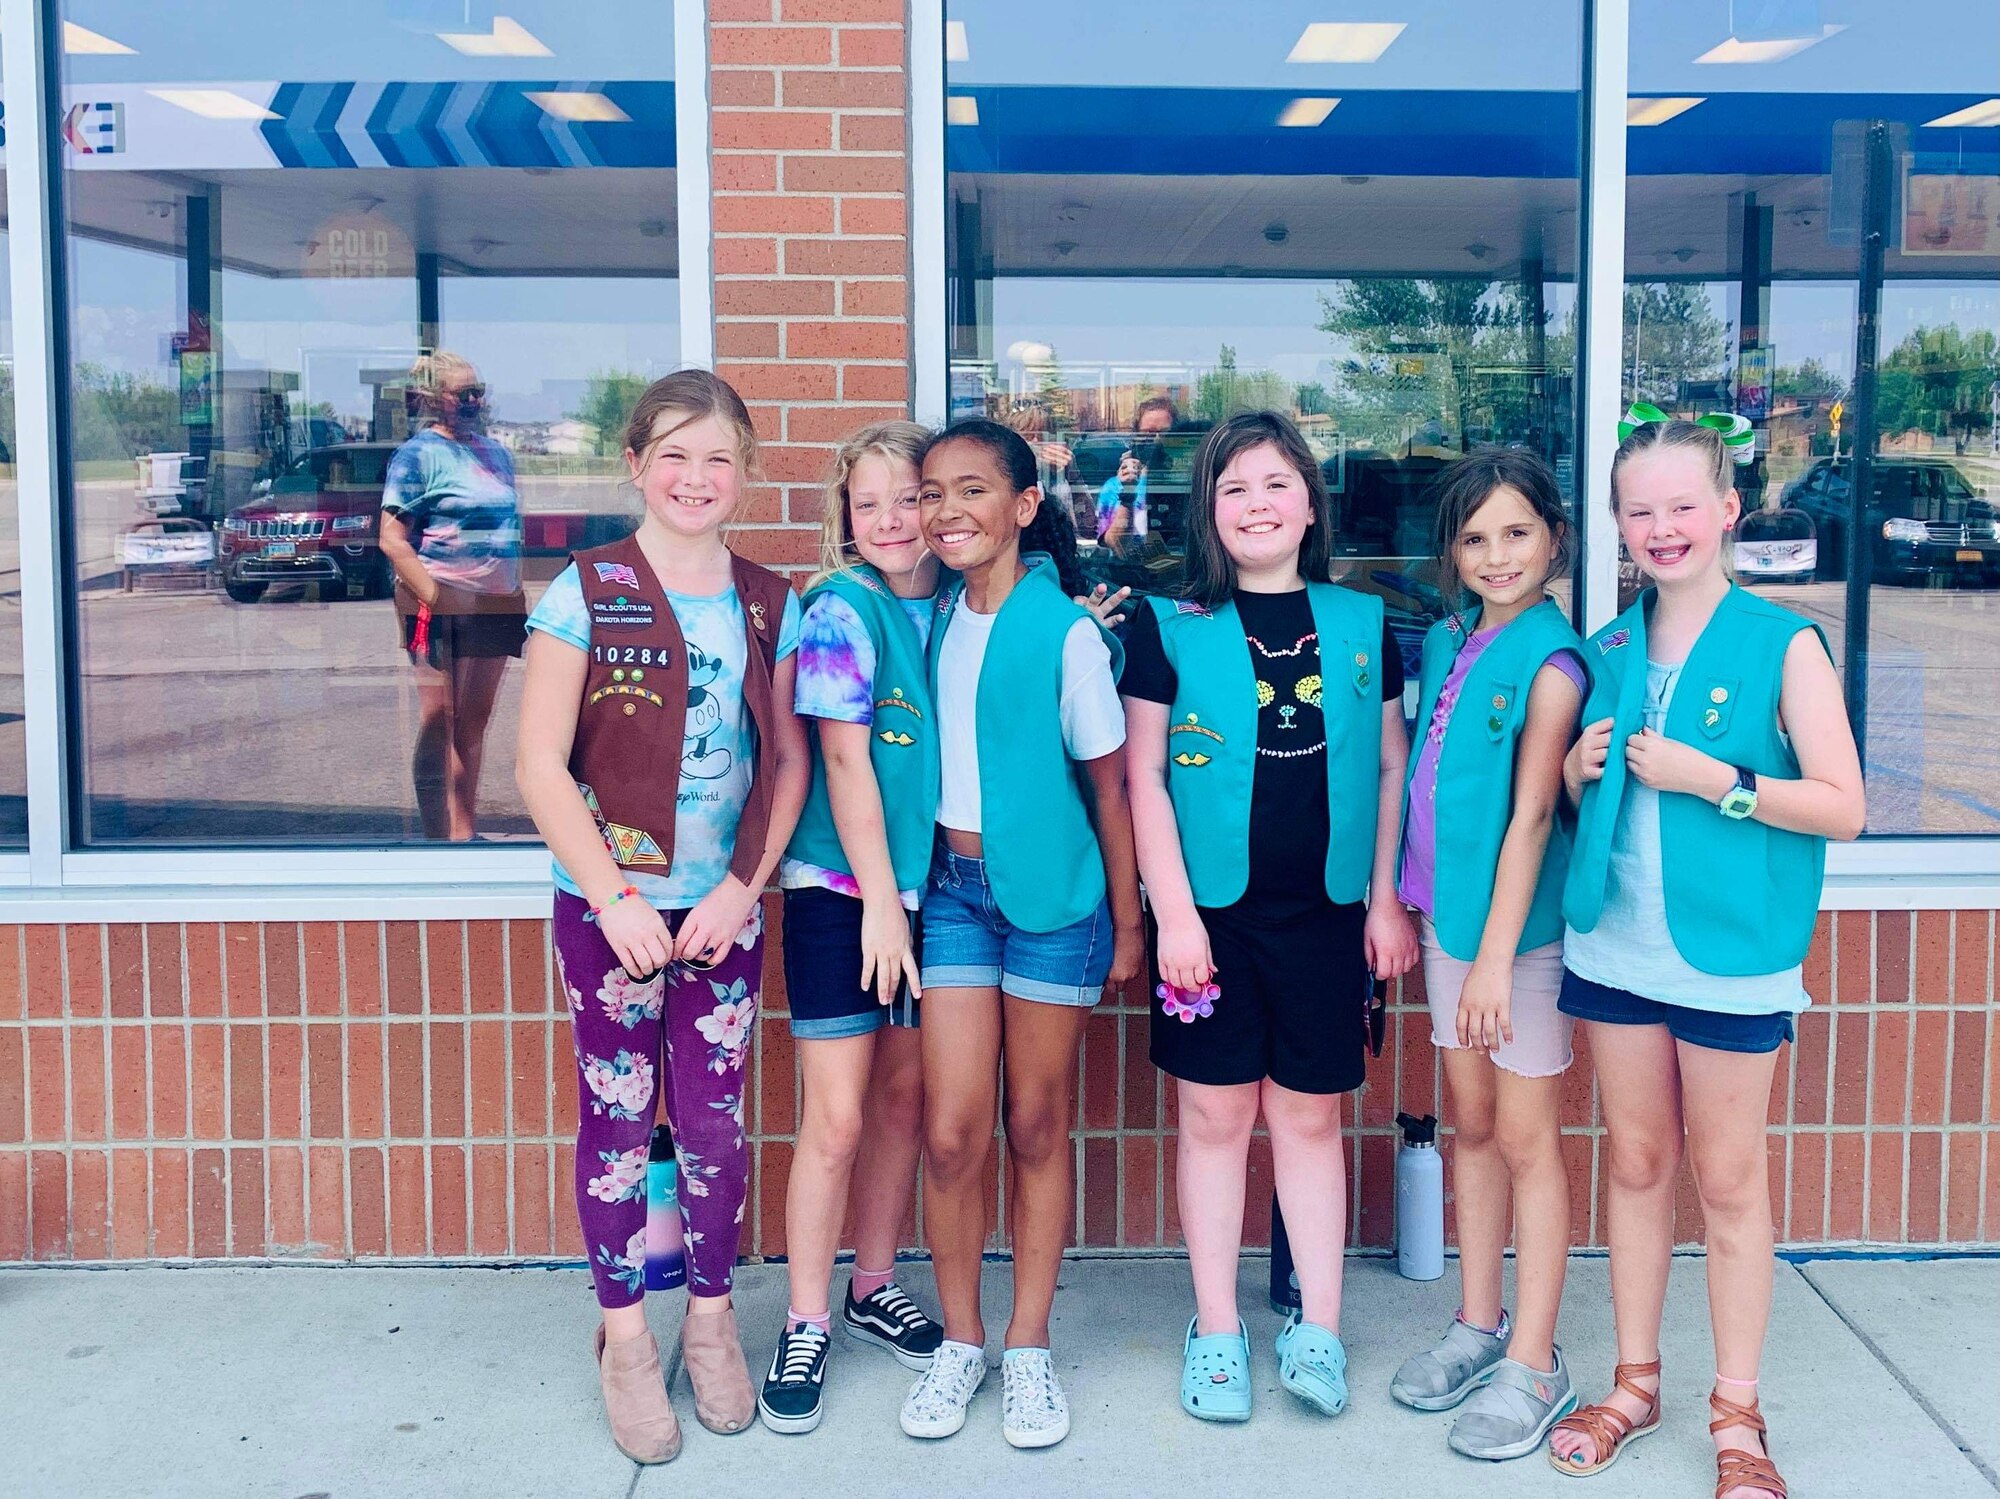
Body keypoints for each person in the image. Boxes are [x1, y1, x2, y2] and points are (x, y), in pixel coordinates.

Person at [1548, 411, 1864, 1499]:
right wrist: (1573, 777)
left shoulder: (1783, 642)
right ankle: (1634, 1381)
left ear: (1727, 509)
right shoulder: (1601, 648)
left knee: (1726, 1180)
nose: (1660, 526)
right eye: (1638, 510)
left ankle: (1737, 1413)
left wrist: (1713, 781)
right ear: (1617, 525)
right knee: (1634, 1164)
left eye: (1682, 504)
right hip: (1612, 948)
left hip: (1730, 956)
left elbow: (1842, 806)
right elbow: (1567, 807)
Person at [513, 370, 810, 1465]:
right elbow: (538, 765)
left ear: (746, 473)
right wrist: (611, 894)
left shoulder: (769, 601)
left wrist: (742, 885)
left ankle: (711, 1317)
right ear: (635, 462)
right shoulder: (583, 589)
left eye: (719, 457)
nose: (697, 477)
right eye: (675, 454)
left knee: (719, 1123)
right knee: (619, 1117)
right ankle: (628, 1337)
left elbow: (785, 767)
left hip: (722, 912)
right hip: (613, 915)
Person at [1120, 410, 1418, 1424]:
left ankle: (1318, 1325)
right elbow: (1143, 777)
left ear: (1308, 503)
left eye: (1276, 483)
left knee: (1306, 1115)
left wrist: (1382, 897)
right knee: (1212, 1118)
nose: (1256, 503)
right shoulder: (1166, 626)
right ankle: (1214, 1327)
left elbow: (1386, 765)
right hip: (1209, 922)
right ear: (1209, 509)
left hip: (1327, 917)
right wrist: (1172, 916)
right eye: (1234, 486)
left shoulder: (1363, 622)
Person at [899, 417, 1143, 1449]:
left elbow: (1111, 787)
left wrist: (1127, 925)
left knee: (1035, 1124)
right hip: (952, 893)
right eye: (931, 494)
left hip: (1052, 904)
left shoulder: (1066, 632)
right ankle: (961, 1340)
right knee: (953, 1129)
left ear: (1022, 506)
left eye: (971, 490)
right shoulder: (930, 616)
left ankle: (1029, 1341)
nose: (947, 511)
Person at [1387, 448, 1588, 1460]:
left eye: (1515, 532)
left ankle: (1537, 1358)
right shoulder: (1448, 637)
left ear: (1552, 536)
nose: (1495, 553)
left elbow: (1529, 815)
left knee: (1521, 1136)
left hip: (1516, 944)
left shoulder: (1552, 661)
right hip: (1444, 926)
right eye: (1473, 537)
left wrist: (1499, 961)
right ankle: (1478, 1320)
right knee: (1468, 1123)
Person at [759, 422, 945, 1433]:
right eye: (867, 502)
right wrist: (877, 898)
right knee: (833, 1116)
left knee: (904, 1103)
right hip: (846, 893)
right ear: (845, 515)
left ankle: (872, 1283)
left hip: (927, 896)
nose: (889, 519)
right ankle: (804, 1314)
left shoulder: (955, 605)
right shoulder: (838, 610)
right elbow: (842, 761)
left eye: (909, 498)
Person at [381, 351, 526, 841]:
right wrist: (432, 594)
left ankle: (464, 832)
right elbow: (391, 538)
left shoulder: (497, 453)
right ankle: (436, 837)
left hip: (494, 601)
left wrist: (513, 588)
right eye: (463, 393)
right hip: (438, 600)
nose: (474, 401)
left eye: (478, 391)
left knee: (475, 721)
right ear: (431, 399)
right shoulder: (417, 455)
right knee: (439, 719)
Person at [1096, 394, 1177, 549]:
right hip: (1131, 570)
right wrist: (1127, 495)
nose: (1157, 440)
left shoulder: (1186, 481)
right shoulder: (1115, 486)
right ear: (1136, 437)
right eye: (1148, 434)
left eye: (1165, 433)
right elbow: (1116, 545)